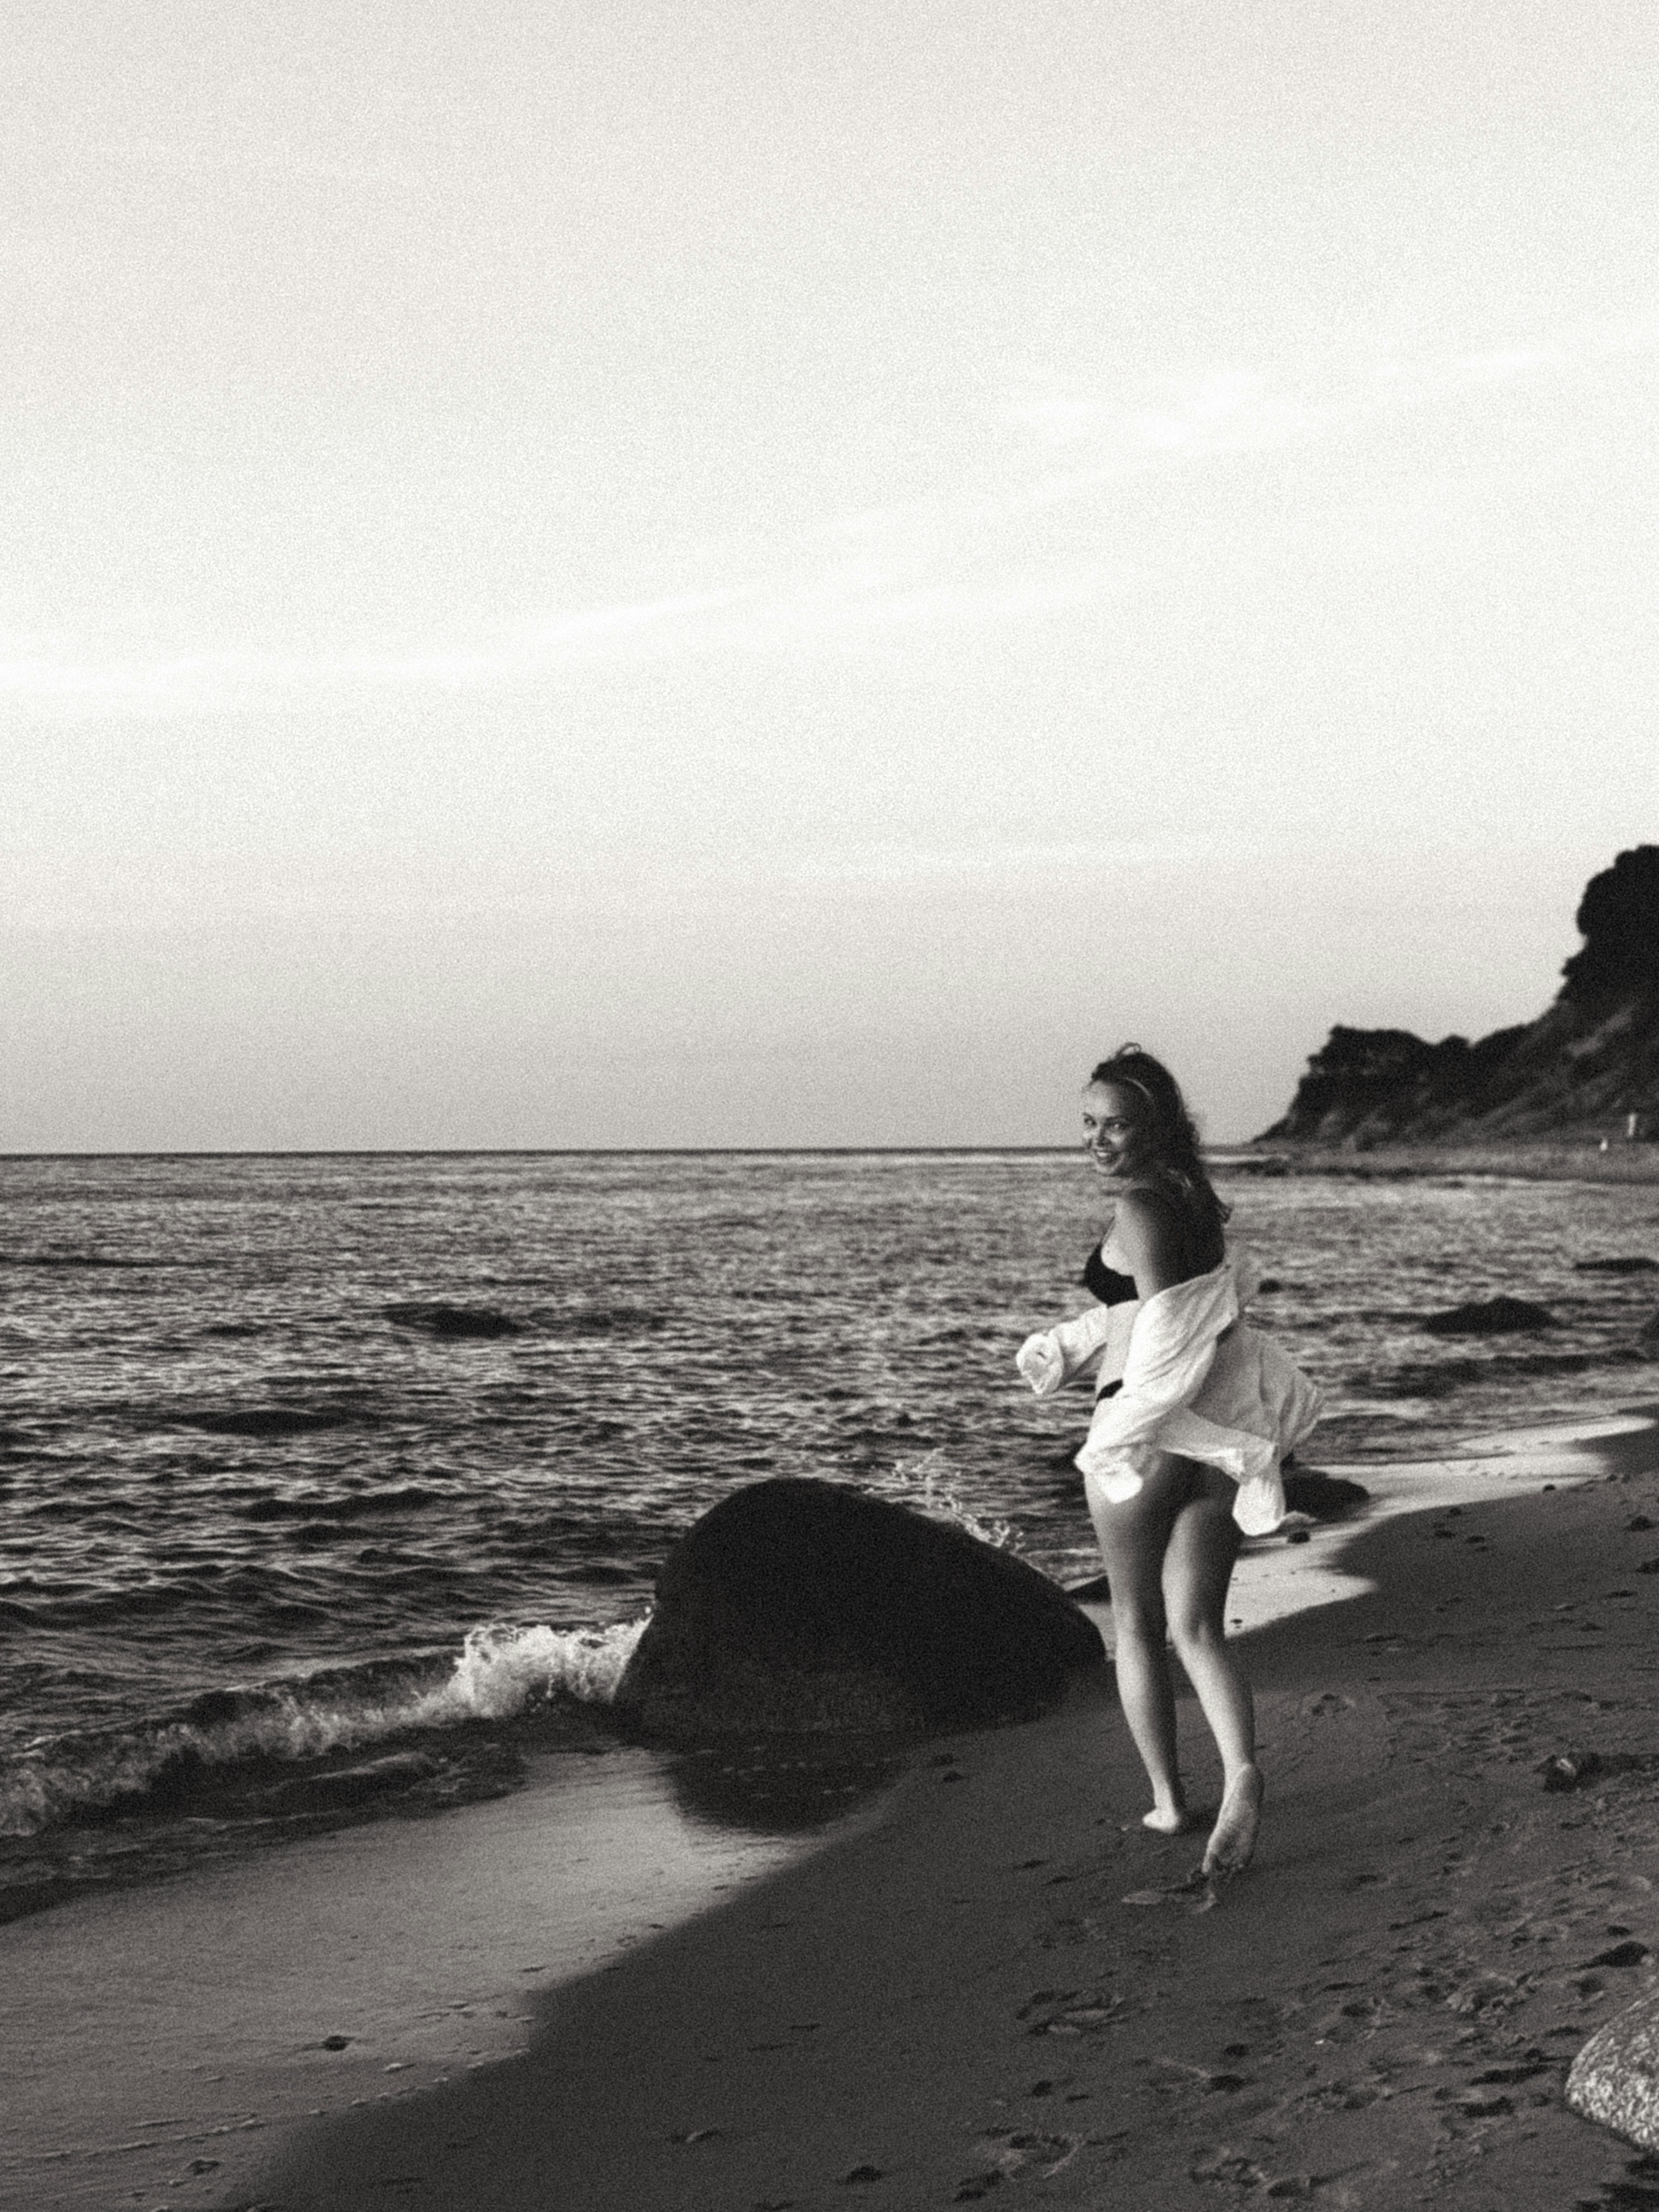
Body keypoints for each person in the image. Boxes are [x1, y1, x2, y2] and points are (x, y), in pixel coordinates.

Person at [1016, 1045, 1323, 1882]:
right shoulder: (1197, 1204)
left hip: (1149, 1439)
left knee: (1139, 1629)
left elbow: (1156, 1335)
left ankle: (1168, 1800)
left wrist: (1120, 1431)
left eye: (1115, 1124)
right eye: (1088, 1123)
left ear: (1152, 1126)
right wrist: (1072, 1343)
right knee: (1197, 1627)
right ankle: (1243, 1771)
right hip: (1212, 1446)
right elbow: (1179, 1319)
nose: (1098, 1140)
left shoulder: (1140, 1211)